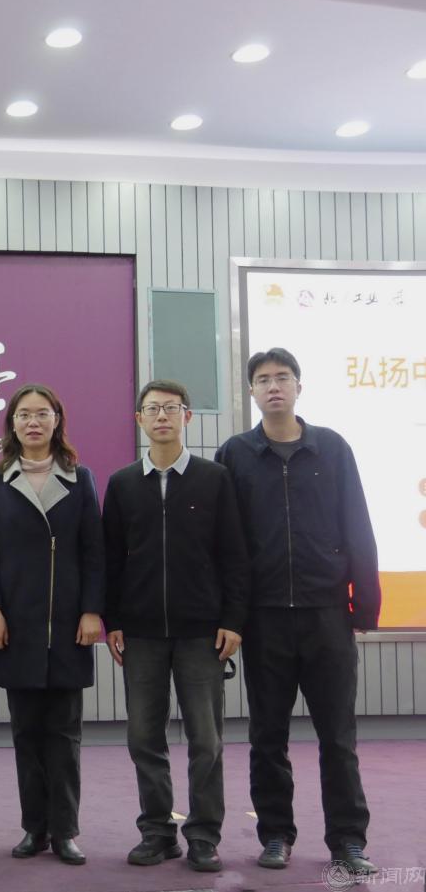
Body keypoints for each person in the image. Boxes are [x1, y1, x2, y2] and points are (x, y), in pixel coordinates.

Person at [215, 347, 380, 875]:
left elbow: (357, 523)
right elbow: (225, 542)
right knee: (267, 736)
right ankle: (275, 835)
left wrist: (365, 606)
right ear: (252, 391)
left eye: (282, 377)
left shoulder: (331, 447)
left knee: (338, 736)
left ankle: (348, 840)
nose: (274, 386)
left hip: (326, 613)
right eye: (263, 379)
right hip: (264, 619)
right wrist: (230, 615)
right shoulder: (235, 454)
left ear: (299, 386)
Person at [102, 380, 249, 873]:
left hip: (202, 633)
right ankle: (157, 832)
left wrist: (232, 620)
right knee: (144, 737)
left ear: (187, 416)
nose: (161, 416)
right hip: (140, 633)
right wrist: (114, 620)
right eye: (152, 408)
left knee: (206, 740)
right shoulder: (123, 484)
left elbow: (234, 555)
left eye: (171, 408)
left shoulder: (214, 479)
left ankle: (204, 835)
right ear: (139, 419)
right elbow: (111, 560)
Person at [0, 383, 104, 866]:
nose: (33, 422)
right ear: (12, 423)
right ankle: (34, 828)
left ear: (56, 420)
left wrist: (92, 609)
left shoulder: (80, 478)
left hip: (69, 627)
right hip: (17, 626)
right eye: (24, 414)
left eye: (42, 413)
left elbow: (94, 550)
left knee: (65, 738)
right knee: (26, 734)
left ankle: (65, 831)